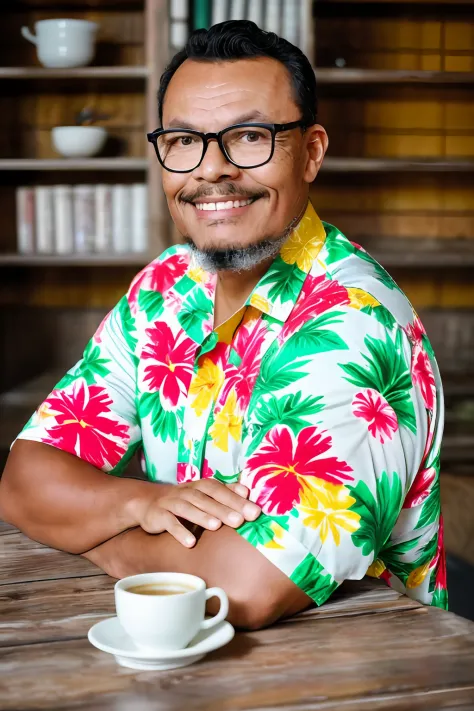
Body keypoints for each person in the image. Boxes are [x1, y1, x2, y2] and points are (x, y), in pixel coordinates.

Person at [0, 20, 447, 629]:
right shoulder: (165, 287)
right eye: (184, 141)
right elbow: (25, 480)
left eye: (249, 136)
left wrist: (95, 535)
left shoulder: (353, 320)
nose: (212, 170)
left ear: (311, 151)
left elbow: (247, 585)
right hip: (186, 663)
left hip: (359, 666)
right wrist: (141, 500)